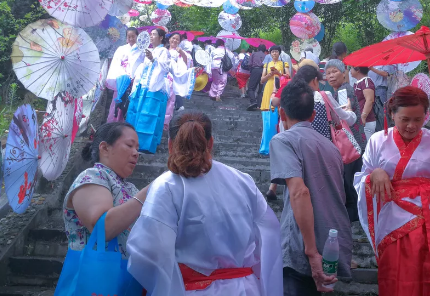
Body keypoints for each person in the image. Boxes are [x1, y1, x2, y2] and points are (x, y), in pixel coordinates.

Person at [127, 110, 283, 295]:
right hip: (245, 288)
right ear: (210, 143)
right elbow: (268, 234)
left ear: (170, 145)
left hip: (193, 289)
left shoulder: (166, 186)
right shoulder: (243, 180)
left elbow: (148, 252)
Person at [354, 87, 430, 296]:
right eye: (405, 119)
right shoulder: (377, 140)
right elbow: (361, 179)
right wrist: (374, 174)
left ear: (426, 115)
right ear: (392, 114)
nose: (411, 126)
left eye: (418, 119)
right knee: (402, 277)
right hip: (395, 222)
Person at [270, 80, 352, 295]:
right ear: (313, 116)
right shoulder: (332, 148)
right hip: (333, 241)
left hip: (303, 244)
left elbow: (299, 191)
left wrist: (311, 251)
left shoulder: (283, 140)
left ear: (282, 112)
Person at [62, 122, 148, 260]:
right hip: (96, 274)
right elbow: (103, 228)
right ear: (105, 148)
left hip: (127, 274)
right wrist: (148, 192)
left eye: (137, 148)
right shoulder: (91, 177)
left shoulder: (130, 188)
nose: (136, 153)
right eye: (129, 145)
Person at [325, 59, 366, 222]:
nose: (331, 76)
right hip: (355, 143)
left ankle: (353, 212)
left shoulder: (343, 91)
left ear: (344, 72)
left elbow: (344, 118)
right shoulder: (342, 90)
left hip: (351, 144)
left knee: (349, 179)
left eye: (335, 71)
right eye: (328, 73)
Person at [126, 28, 171, 153]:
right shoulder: (150, 50)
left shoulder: (164, 51)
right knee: (138, 113)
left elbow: (166, 67)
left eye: (154, 34)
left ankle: (145, 146)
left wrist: (153, 59)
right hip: (144, 86)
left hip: (155, 88)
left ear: (161, 38)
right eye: (150, 34)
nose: (151, 36)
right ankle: (132, 143)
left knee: (150, 116)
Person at [105, 27, 144, 122]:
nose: (131, 39)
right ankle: (112, 125)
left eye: (133, 37)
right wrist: (124, 75)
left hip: (134, 81)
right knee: (117, 104)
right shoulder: (121, 49)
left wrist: (135, 77)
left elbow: (142, 66)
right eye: (129, 36)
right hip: (121, 81)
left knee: (130, 105)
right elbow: (116, 64)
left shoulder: (142, 51)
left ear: (137, 37)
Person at [167, 32, 195, 112]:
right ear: (169, 39)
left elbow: (185, 62)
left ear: (179, 42)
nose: (175, 40)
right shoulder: (164, 49)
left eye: (177, 39)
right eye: (173, 38)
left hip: (172, 76)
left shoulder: (179, 52)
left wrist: (182, 53)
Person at [350, 67, 376, 142]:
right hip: (360, 120)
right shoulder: (358, 82)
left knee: (367, 145)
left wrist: (363, 116)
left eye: (351, 68)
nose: (350, 71)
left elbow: (369, 100)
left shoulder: (366, 81)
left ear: (358, 70)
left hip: (366, 121)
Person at [247, 44, 267, 111]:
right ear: (265, 50)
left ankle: (253, 101)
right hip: (264, 71)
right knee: (261, 89)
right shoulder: (266, 56)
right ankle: (259, 104)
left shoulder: (254, 54)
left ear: (258, 49)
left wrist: (251, 70)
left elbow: (249, 63)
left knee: (251, 88)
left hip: (255, 70)